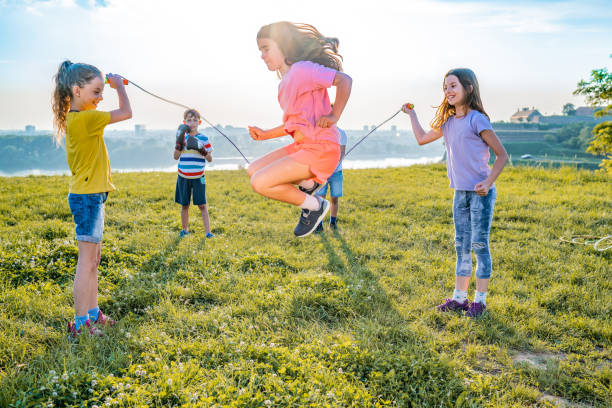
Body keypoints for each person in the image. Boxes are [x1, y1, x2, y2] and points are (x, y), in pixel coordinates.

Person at [402, 68, 508, 317]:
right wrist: (412, 115)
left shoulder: (477, 120)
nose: (448, 91)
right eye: (445, 87)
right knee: (461, 245)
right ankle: (460, 298)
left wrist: (489, 181)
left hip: (481, 194)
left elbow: (502, 155)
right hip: (459, 193)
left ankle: (479, 301)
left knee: (479, 244)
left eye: (453, 86)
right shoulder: (448, 122)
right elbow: (421, 139)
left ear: (468, 88)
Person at [246, 21, 352, 237]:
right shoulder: (284, 83)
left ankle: (315, 206)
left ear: (283, 46)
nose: (262, 55)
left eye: (266, 48)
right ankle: (307, 184)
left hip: (322, 148)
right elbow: (293, 124)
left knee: (260, 182)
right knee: (253, 170)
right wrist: (265, 135)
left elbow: (345, 81)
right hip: (303, 146)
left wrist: (334, 115)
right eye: (260, 50)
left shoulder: (303, 70)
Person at [52, 61, 132, 336]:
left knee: (93, 260)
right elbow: (126, 112)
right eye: (96, 92)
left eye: (102, 93)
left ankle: (94, 313)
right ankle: (80, 323)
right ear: (77, 90)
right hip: (87, 198)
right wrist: (119, 86)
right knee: (86, 263)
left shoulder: (79, 116)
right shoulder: (85, 118)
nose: (100, 98)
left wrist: (108, 86)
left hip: (91, 195)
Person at [173, 109, 213, 238]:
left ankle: (208, 232)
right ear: (184, 122)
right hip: (183, 176)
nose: (192, 122)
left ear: (199, 122)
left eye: (195, 120)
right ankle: (185, 230)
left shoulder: (204, 138)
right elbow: (175, 156)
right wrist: (179, 144)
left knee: (202, 205)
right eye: (189, 120)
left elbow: (210, 159)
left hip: (198, 177)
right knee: (185, 205)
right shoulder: (182, 138)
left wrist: (201, 149)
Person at [315, 125, 347, 232]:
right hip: (322, 171)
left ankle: (333, 223)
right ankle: (319, 224)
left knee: (334, 199)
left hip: (336, 172)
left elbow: (342, 152)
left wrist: (337, 164)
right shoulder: (320, 132)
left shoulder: (341, 133)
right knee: (320, 199)